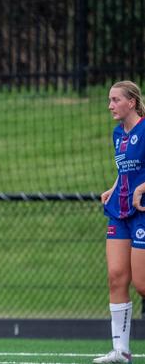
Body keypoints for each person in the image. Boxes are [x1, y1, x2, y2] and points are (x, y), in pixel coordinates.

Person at [96, 80, 145, 364]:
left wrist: (142, 187)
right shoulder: (118, 134)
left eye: (115, 100)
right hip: (120, 211)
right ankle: (121, 352)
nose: (110, 105)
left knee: (141, 284)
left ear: (132, 103)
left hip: (141, 211)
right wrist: (114, 187)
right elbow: (126, 168)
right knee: (116, 277)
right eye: (110, 99)